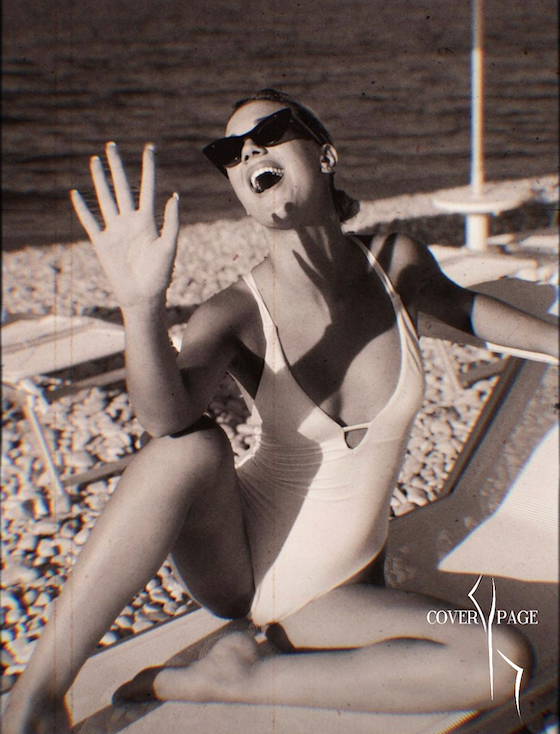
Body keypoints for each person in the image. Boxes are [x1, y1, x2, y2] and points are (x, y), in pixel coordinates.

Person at [4, 89, 558, 733]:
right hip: (242, 560)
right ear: (240, 193)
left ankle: (234, 677)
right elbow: (164, 419)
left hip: (341, 591)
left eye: (268, 134)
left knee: (503, 660)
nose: (249, 154)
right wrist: (140, 306)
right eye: (231, 152)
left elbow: (464, 309)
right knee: (189, 448)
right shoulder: (233, 313)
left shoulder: (396, 262)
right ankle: (36, 697)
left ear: (325, 156)